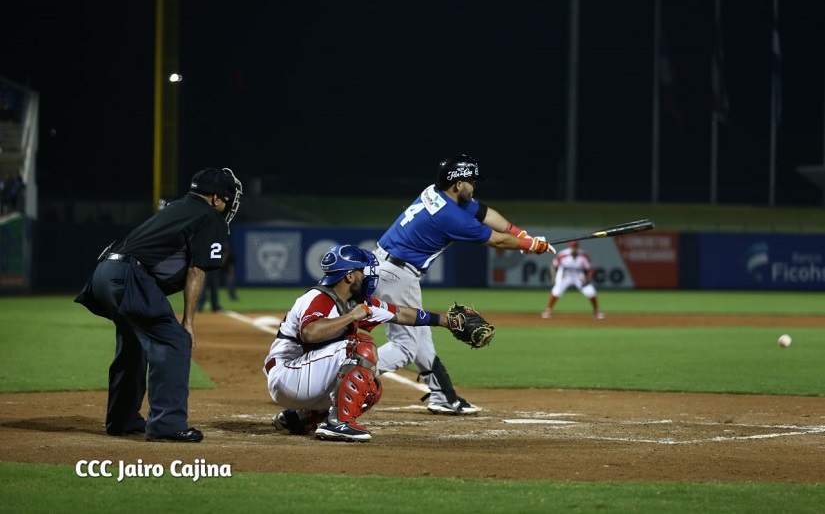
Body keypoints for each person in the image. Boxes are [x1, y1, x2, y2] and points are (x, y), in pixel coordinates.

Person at [372, 154, 554, 415]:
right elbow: (496, 241)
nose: (474, 186)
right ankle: (345, 377)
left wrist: (521, 234)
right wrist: (531, 245)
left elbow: (486, 213)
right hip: (397, 275)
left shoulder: (436, 193)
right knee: (405, 346)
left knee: (421, 336)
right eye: (471, 181)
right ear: (457, 184)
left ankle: (444, 397)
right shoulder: (450, 216)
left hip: (387, 267)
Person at [74, 167, 243, 442]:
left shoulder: (179, 207)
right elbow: (196, 271)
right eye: (225, 198)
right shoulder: (209, 217)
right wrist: (187, 323)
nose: (227, 205)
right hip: (129, 276)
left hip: (105, 273)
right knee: (175, 341)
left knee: (133, 343)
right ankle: (167, 424)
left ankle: (122, 419)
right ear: (214, 198)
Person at [264, 244, 459, 442]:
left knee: (370, 389)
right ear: (349, 276)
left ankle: (300, 418)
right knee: (360, 346)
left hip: (303, 377)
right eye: (362, 271)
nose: (368, 275)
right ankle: (337, 423)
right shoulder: (319, 297)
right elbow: (310, 333)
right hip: (287, 374)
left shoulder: (353, 302)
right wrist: (351, 317)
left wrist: (447, 321)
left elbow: (400, 313)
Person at [542, 241, 605, 320]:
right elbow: (553, 266)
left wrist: (587, 278)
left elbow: (591, 269)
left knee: (590, 291)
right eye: (572, 246)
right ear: (569, 246)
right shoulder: (563, 254)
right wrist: (554, 277)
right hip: (565, 274)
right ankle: (548, 310)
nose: (574, 248)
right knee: (557, 290)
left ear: (577, 246)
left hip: (578, 275)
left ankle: (596, 311)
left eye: (575, 246)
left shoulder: (583, 255)